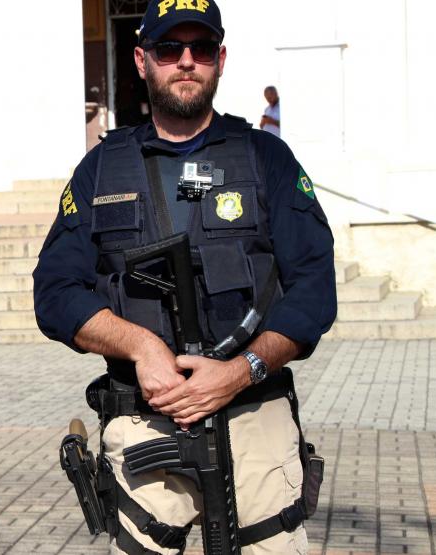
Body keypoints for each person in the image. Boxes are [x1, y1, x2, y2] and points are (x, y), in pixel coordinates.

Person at [34, 2, 334, 554]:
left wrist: (242, 370)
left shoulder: (267, 157)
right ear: (143, 60)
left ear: (220, 59)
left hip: (253, 419)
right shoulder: (101, 169)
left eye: (201, 48)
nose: (186, 61)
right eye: (170, 49)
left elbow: (314, 287)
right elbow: (55, 293)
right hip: (145, 423)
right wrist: (141, 346)